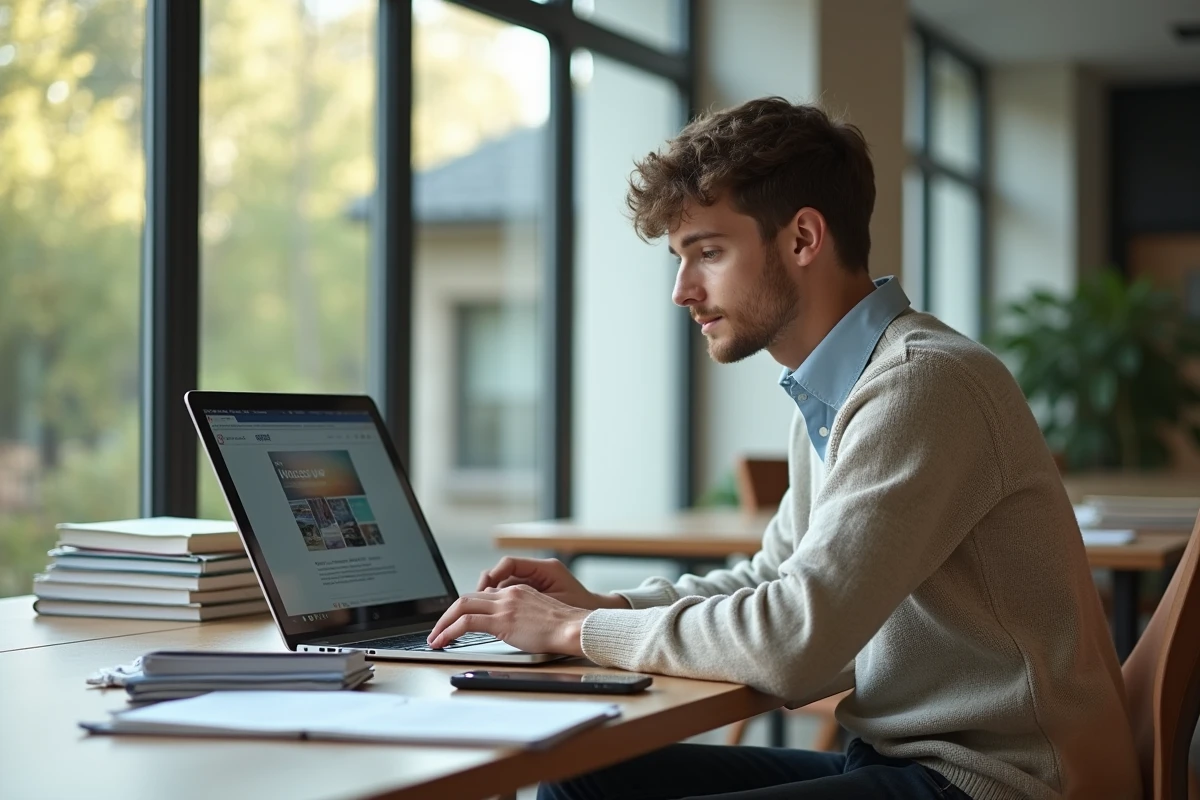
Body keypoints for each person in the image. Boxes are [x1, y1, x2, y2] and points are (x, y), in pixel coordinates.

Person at [427, 97, 1141, 799]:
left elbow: (795, 644)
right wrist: (606, 601)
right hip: (897, 760)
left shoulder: (923, 384)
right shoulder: (835, 393)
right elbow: (776, 578)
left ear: (803, 239)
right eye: (681, 258)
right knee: (580, 777)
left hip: (997, 782)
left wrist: (580, 629)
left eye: (707, 252)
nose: (682, 290)